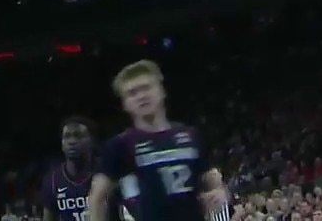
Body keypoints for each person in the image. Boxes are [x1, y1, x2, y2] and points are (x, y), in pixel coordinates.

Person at [88, 61, 228, 221]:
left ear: (161, 91)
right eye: (132, 93)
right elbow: (97, 198)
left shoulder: (192, 136)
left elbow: (214, 182)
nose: (141, 96)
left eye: (146, 87)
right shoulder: (120, 145)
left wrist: (219, 193)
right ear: (125, 104)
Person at [44, 117, 123, 221]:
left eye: (78, 136)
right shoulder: (53, 179)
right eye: (67, 136)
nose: (72, 141)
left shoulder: (107, 173)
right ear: (62, 144)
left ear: (92, 141)